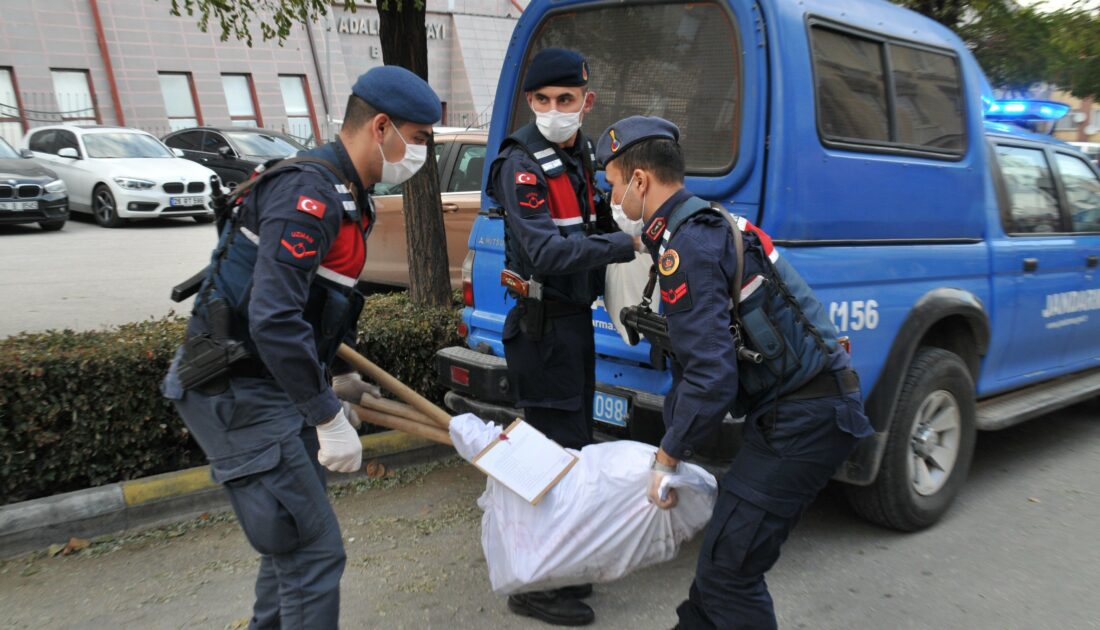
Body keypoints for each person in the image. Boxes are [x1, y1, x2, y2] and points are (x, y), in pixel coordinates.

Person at [161, 65, 441, 630]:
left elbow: (320, 306)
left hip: (268, 383)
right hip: (235, 390)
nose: (422, 154)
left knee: (291, 545)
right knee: (314, 553)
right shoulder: (308, 192)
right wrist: (324, 415)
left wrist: (336, 377)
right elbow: (272, 318)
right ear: (381, 126)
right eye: (419, 139)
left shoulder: (345, 192)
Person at [596, 116, 874, 630]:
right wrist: (668, 450)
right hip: (795, 412)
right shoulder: (690, 229)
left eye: (612, 183)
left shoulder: (688, 246)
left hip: (804, 420)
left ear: (639, 180)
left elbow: (711, 377)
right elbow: (693, 367)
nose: (612, 197)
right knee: (719, 569)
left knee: (729, 573)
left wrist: (669, 456)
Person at [486, 47, 637, 626]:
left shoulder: (579, 156)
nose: (554, 110)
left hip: (572, 327)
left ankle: (558, 568)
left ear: (586, 101)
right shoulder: (521, 163)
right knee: (550, 462)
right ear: (530, 102)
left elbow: (594, 224)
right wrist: (629, 244)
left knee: (570, 452)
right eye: (543, 101)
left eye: (565, 100)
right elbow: (547, 251)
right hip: (543, 330)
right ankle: (534, 586)